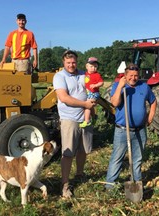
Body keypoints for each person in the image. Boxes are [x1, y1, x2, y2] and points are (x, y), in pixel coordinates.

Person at [105, 63, 157, 189]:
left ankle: (136, 182)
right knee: (117, 158)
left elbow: (153, 101)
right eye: (131, 75)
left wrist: (150, 117)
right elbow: (115, 103)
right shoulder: (118, 86)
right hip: (122, 130)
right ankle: (110, 186)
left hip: (140, 130)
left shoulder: (144, 87)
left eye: (136, 76)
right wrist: (121, 87)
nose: (133, 78)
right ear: (125, 75)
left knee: (138, 158)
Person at [53, 50, 96, 198]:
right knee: (68, 152)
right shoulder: (59, 76)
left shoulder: (84, 74)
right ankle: (65, 184)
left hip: (85, 117)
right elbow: (64, 98)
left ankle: (79, 174)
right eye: (68, 62)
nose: (71, 65)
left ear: (77, 62)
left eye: (74, 62)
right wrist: (85, 103)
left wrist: (92, 104)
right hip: (69, 119)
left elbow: (92, 89)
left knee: (83, 150)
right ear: (64, 63)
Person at [79, 57, 104, 128]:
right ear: (86, 66)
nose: (93, 68)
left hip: (94, 93)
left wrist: (96, 85)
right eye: (91, 66)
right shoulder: (85, 74)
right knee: (91, 106)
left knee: (87, 106)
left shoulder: (97, 75)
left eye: (95, 66)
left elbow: (101, 83)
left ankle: (86, 121)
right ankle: (94, 116)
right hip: (89, 92)